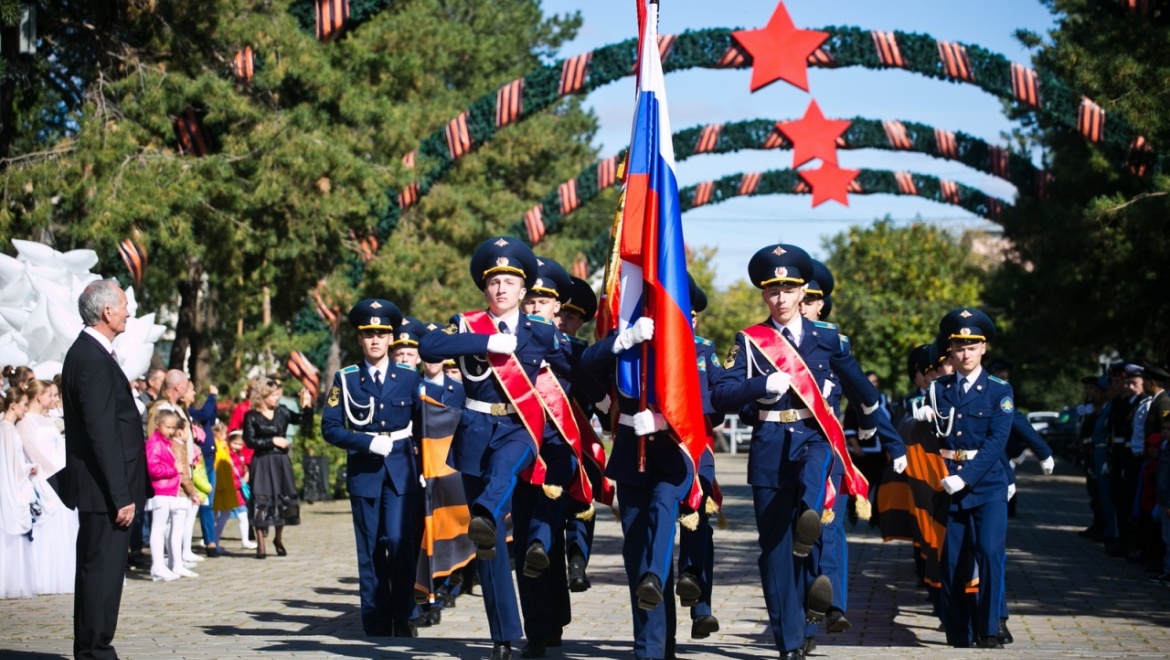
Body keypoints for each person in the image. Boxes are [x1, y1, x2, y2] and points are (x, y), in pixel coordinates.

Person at [710, 244, 894, 660]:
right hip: (770, 447)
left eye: (788, 289)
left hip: (814, 436)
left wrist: (868, 425)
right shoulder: (750, 341)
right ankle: (790, 643)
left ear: (801, 293)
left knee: (815, 470)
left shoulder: (828, 339)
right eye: (772, 290)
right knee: (775, 551)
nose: (780, 298)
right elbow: (719, 394)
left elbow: (863, 390)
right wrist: (761, 386)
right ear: (764, 295)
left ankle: (810, 516)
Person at [418, 236, 573, 660]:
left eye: (510, 281)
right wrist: (485, 343)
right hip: (473, 430)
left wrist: (620, 348)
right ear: (485, 290)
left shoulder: (540, 331)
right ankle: (505, 637)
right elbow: (429, 346)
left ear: (525, 291)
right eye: (494, 282)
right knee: (486, 546)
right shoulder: (467, 325)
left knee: (504, 488)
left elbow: (573, 366)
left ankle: (488, 510)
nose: (501, 288)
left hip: (521, 428)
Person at [321, 299, 424, 638]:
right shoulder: (347, 379)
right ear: (360, 340)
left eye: (382, 333)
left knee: (400, 541)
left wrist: (425, 465)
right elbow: (330, 428)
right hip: (365, 471)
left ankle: (404, 613)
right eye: (369, 334)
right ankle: (377, 620)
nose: (376, 340)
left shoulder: (409, 377)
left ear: (392, 337)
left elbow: (423, 425)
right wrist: (366, 442)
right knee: (370, 550)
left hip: (401, 471)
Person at [912, 308, 1013, 649]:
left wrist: (966, 477)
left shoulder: (999, 390)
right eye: (959, 347)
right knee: (953, 561)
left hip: (987, 484)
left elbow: (996, 443)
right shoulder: (939, 388)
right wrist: (921, 419)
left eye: (972, 346)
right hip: (948, 483)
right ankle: (959, 633)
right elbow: (934, 435)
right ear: (950, 351)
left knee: (988, 552)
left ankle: (989, 629)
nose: (965, 353)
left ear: (984, 348)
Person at [59, 279, 148, 659]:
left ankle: (91, 647)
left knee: (101, 573)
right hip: (105, 492)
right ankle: (95, 650)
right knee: (102, 575)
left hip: (105, 489)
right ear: (107, 311)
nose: (129, 312)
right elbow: (102, 433)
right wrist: (120, 495)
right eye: (124, 305)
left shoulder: (92, 354)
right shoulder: (91, 359)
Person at [17, 379, 78, 594]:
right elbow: (34, 452)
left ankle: (63, 572)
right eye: (50, 395)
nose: (54, 399)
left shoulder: (47, 420)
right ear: (38, 396)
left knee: (64, 527)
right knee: (48, 527)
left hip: (58, 473)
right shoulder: (26, 422)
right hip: (45, 477)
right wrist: (55, 475)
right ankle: (42, 576)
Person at [243, 380, 312, 559]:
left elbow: (305, 423)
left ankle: (278, 538)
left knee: (281, 499)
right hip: (262, 460)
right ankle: (261, 543)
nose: (277, 398)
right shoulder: (251, 416)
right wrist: (272, 441)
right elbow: (249, 440)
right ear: (262, 396)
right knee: (260, 500)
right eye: (273, 395)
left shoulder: (283, 412)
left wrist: (307, 407)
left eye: (277, 395)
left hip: (280, 461)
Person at [144, 409, 198, 581]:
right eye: (167, 426)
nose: (171, 430)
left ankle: (162, 565)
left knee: (162, 529)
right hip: (160, 490)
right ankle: (157, 566)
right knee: (158, 529)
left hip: (168, 490)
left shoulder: (165, 443)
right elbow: (152, 469)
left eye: (173, 427)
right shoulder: (155, 443)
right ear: (158, 424)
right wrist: (173, 469)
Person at [1, 387, 40, 599]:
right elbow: (11, 464)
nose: (26, 409)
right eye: (24, 405)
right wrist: (28, 468)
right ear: (13, 405)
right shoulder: (7, 428)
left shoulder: (8, 428)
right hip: (11, 487)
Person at [187, 381, 220, 557]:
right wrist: (212, 396)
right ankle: (192, 545)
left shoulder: (197, 414)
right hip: (199, 461)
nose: (193, 394)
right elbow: (204, 413)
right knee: (201, 502)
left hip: (209, 459)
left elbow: (211, 417)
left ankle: (211, 541)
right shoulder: (189, 413)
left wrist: (214, 402)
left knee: (209, 503)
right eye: (191, 390)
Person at [213, 429, 255, 550]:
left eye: (240, 444)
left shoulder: (239, 456)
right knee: (222, 515)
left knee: (242, 514)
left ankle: (245, 540)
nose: (238, 446)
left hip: (237, 490)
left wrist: (246, 473)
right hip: (230, 490)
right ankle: (213, 541)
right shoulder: (226, 454)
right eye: (235, 443)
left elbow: (242, 470)